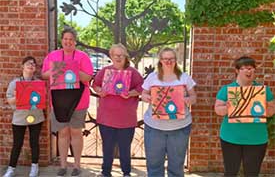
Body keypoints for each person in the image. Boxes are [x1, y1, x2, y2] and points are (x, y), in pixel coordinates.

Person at [41, 27, 93, 177]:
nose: (68, 42)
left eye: (71, 39)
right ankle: (63, 165)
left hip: (79, 101)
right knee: (62, 133)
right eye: (65, 39)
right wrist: (57, 70)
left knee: (76, 132)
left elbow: (87, 78)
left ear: (75, 41)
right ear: (61, 41)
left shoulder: (83, 57)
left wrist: (72, 69)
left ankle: (77, 165)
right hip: (58, 101)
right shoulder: (53, 56)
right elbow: (44, 75)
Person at [214, 56, 275, 177]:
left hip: (256, 139)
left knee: (252, 173)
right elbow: (218, 110)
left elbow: (272, 110)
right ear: (237, 70)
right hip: (230, 138)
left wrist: (265, 108)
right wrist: (227, 107)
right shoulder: (227, 90)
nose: (249, 71)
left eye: (252, 68)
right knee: (230, 172)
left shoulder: (263, 91)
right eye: (245, 68)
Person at [141, 47, 197, 177]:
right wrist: (147, 97)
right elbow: (143, 94)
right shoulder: (152, 77)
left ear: (176, 60)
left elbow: (194, 97)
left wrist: (186, 100)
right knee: (154, 166)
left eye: (171, 58)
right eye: (165, 59)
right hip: (154, 127)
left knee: (176, 166)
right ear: (160, 60)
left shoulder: (184, 77)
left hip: (179, 127)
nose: (168, 61)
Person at [92, 43, 143, 177]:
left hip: (126, 119)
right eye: (116, 55)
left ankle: (126, 173)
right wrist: (100, 91)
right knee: (107, 148)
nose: (119, 57)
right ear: (111, 56)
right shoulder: (105, 71)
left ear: (126, 56)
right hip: (106, 118)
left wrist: (131, 93)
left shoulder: (133, 73)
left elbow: (142, 87)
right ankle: (106, 172)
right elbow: (95, 84)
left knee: (125, 148)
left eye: (121, 55)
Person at [3, 56, 45, 177]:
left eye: (33, 64)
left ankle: (34, 167)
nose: (31, 65)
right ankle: (11, 168)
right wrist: (20, 96)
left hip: (36, 116)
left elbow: (42, 101)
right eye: (28, 63)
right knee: (17, 144)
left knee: (34, 142)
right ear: (22, 66)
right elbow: (10, 100)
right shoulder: (14, 83)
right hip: (19, 117)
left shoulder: (38, 83)